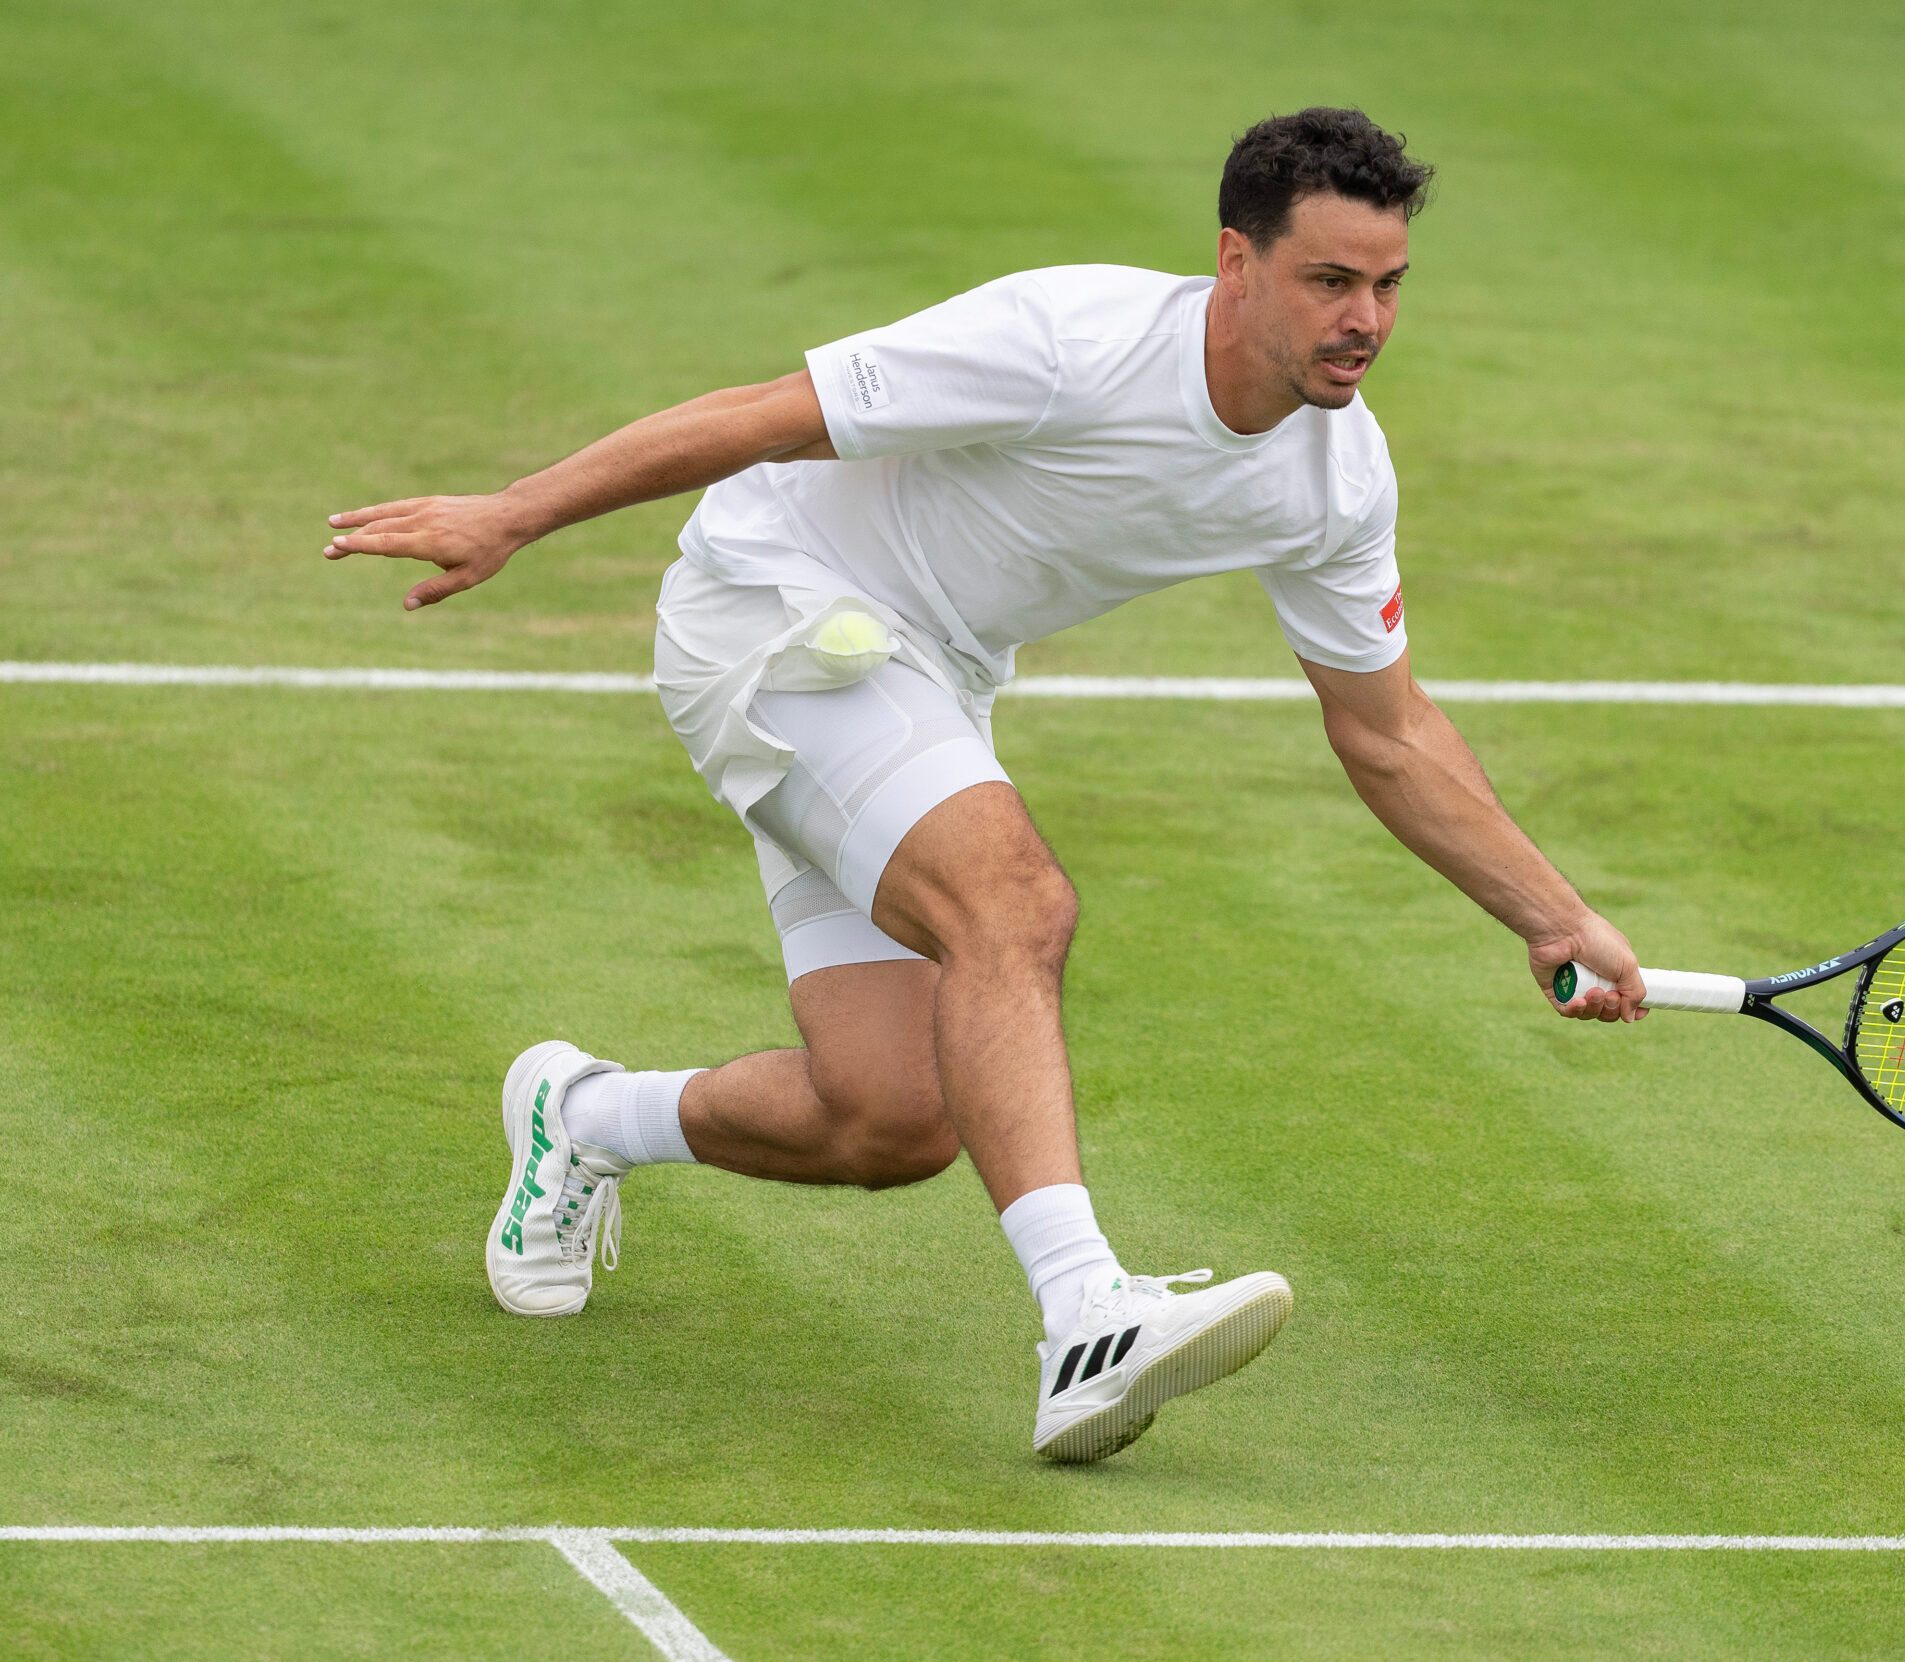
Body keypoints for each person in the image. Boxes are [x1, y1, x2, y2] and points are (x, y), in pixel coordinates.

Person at [325, 107, 1648, 1463]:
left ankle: (582, 1115)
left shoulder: (1337, 478)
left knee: (891, 1118)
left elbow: (1386, 732)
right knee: (1012, 905)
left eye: (1387, 286)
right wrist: (513, 511)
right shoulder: (1069, 337)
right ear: (1236, 265)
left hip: (925, 679)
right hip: (774, 613)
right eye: (1330, 281)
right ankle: (1085, 1319)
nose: (1364, 318)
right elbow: (765, 416)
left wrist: (1550, 912)